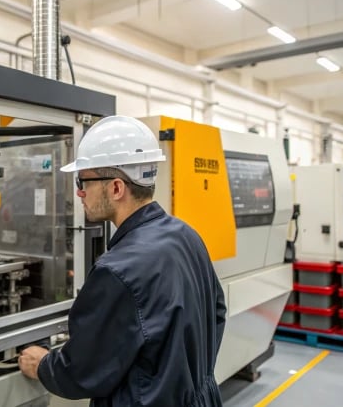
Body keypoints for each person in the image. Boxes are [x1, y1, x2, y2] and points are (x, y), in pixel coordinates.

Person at [18, 115, 227, 407]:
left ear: (116, 188)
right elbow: (217, 312)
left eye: (84, 181)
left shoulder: (117, 270)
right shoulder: (187, 236)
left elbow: (82, 371)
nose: (79, 192)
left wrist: (42, 364)